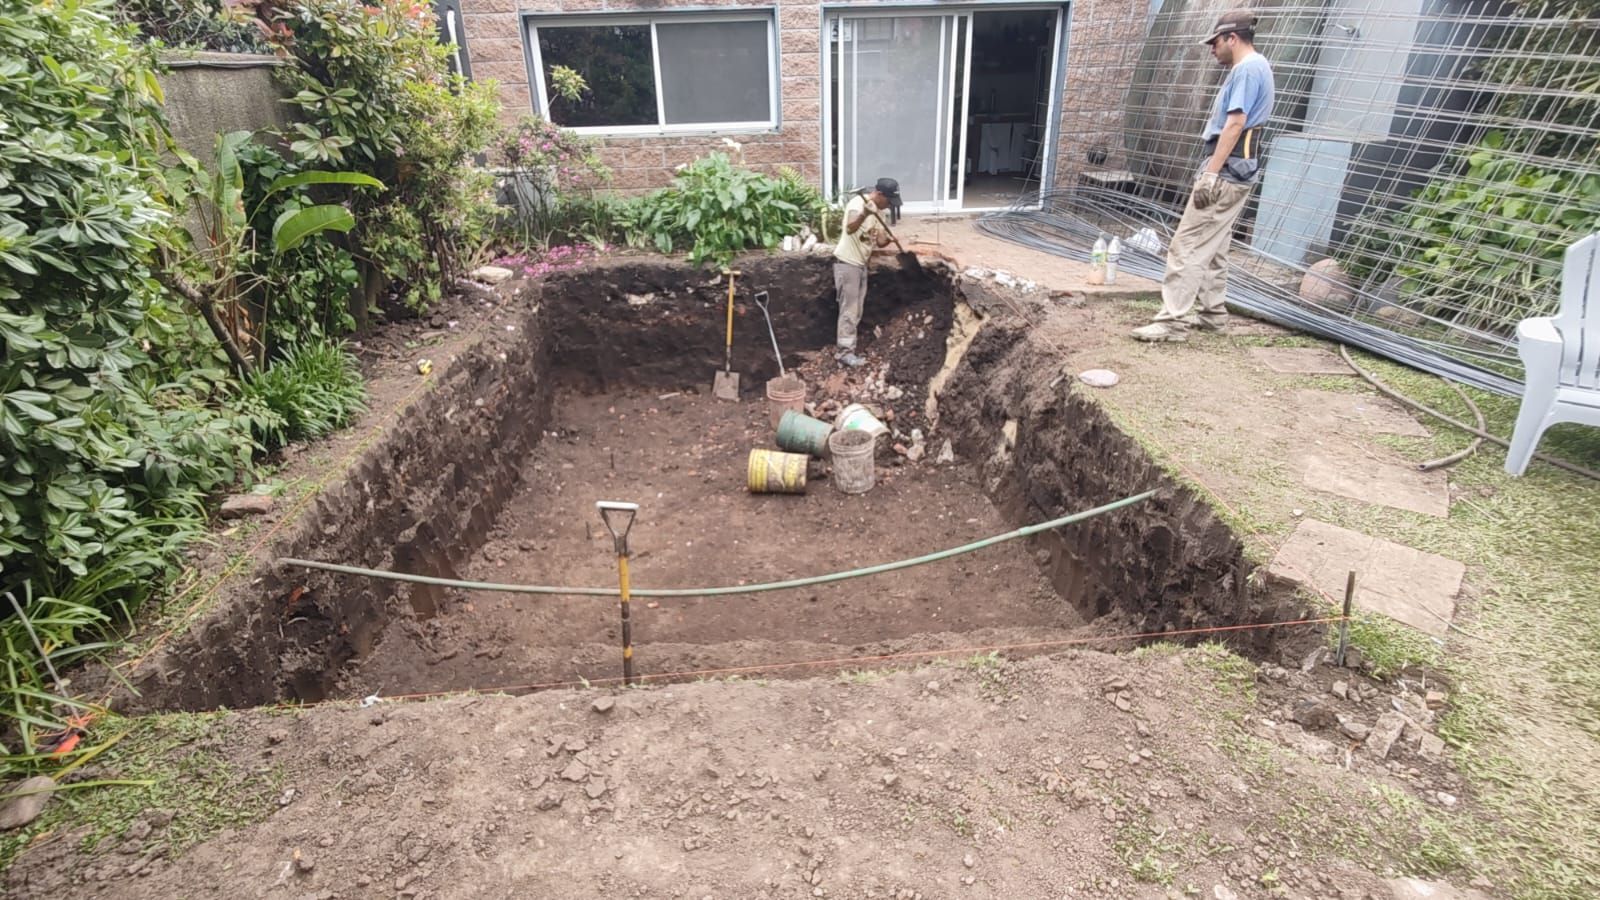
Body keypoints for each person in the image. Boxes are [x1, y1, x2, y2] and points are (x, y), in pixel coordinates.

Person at [1132, 10, 1275, 343]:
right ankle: (1213, 315)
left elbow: (1235, 123)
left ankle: (1171, 322)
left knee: (1187, 245)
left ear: (1232, 38)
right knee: (1216, 247)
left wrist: (1211, 174)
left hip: (1227, 170)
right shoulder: (1259, 67)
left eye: (1215, 43)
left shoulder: (1247, 70)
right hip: (1239, 169)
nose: (1212, 50)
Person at [832, 177, 900, 367]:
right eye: (888, 201)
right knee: (849, 310)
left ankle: (848, 349)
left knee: (857, 309)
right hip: (847, 264)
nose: (889, 206)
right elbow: (850, 227)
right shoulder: (857, 204)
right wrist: (864, 213)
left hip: (861, 265)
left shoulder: (880, 213)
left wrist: (889, 240)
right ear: (879, 194)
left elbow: (878, 241)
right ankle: (844, 353)